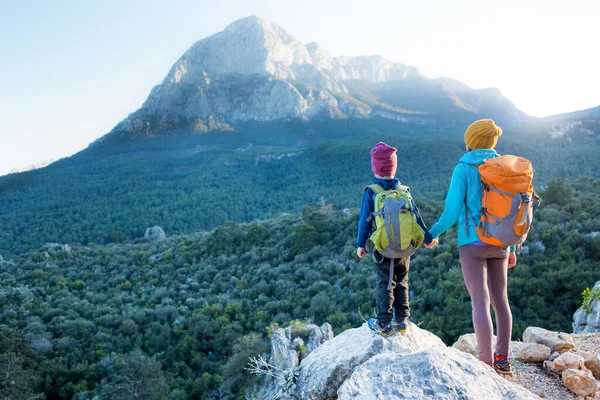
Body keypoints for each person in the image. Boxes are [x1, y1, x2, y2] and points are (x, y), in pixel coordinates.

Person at [428, 119, 517, 375]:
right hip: (500, 243)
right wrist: (510, 249)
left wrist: (430, 234)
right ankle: (503, 359)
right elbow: (508, 213)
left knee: (480, 302)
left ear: (471, 141)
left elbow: (452, 212)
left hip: (472, 244)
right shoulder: (504, 167)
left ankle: (486, 363)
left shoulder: (464, 168)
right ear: (492, 142)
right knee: (501, 300)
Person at [356, 142, 435, 336]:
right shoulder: (405, 191)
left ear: (375, 167)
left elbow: (364, 221)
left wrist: (361, 244)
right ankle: (401, 320)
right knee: (402, 280)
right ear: (394, 167)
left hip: (383, 246)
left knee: (385, 281)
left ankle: (383, 323)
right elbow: (417, 217)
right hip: (405, 246)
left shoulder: (372, 191)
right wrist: (427, 237)